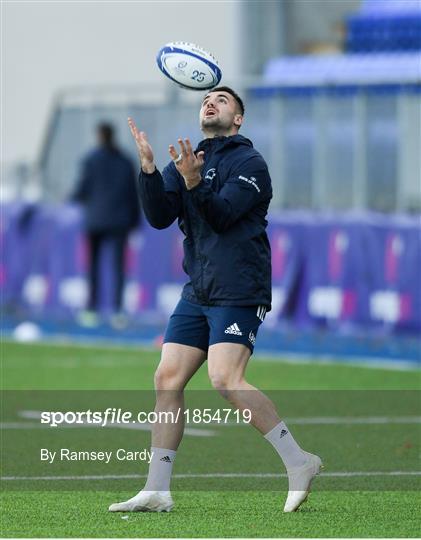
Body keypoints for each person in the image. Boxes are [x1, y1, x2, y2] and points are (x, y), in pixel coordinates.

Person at [109, 87, 322, 514]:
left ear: (238, 118)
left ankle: (299, 461)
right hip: (199, 289)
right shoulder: (189, 158)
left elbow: (222, 216)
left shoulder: (250, 163)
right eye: (207, 99)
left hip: (240, 287)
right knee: (166, 378)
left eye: (223, 100)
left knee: (225, 379)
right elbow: (158, 217)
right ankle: (157, 489)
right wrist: (150, 170)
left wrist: (192, 182)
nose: (211, 103)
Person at [71, 123, 140, 326]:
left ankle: (91, 310)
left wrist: (73, 197)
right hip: (120, 222)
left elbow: (82, 190)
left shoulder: (91, 160)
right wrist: (135, 221)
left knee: (93, 267)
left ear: (100, 136)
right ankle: (118, 312)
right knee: (118, 267)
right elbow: (133, 193)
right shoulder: (125, 160)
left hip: (95, 221)